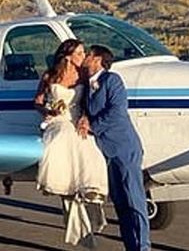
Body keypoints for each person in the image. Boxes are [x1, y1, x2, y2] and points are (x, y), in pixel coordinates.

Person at [34, 39, 109, 247]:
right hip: (58, 121)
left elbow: (89, 103)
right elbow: (37, 102)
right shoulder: (50, 76)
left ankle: (90, 190)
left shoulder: (84, 76)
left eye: (84, 53)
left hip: (76, 119)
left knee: (87, 144)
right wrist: (47, 111)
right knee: (63, 135)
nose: (83, 56)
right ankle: (65, 186)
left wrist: (85, 117)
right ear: (68, 56)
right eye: (79, 53)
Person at [79, 44, 150, 251]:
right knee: (120, 204)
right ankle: (131, 246)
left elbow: (117, 111)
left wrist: (92, 125)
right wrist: (84, 117)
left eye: (88, 55)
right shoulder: (87, 86)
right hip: (106, 152)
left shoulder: (112, 80)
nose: (85, 58)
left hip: (124, 148)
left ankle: (143, 246)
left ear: (98, 59)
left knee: (134, 200)